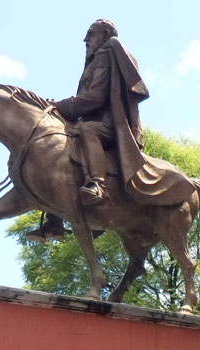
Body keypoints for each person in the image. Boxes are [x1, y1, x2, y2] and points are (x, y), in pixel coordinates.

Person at [28, 19, 150, 241]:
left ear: (104, 35)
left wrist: (59, 105)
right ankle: (54, 220)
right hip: (95, 118)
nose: (86, 40)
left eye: (91, 34)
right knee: (55, 145)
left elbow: (95, 98)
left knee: (86, 130)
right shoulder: (95, 60)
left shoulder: (104, 56)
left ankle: (98, 186)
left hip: (109, 123)